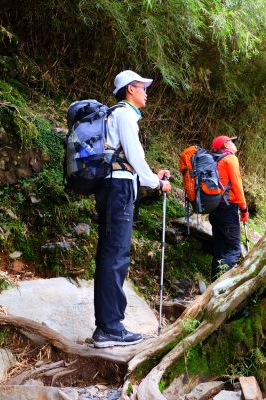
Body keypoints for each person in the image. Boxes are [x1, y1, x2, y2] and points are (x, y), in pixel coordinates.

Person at [92, 70, 172, 348]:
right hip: (119, 189)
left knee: (111, 254)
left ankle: (108, 325)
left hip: (114, 187)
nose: (146, 92)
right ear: (130, 90)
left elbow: (130, 159)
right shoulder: (125, 115)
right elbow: (135, 158)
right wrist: (155, 183)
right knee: (116, 255)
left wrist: (151, 175)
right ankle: (110, 329)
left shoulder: (119, 115)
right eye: (142, 87)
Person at [209, 135, 249, 281]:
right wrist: (244, 208)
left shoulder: (215, 159)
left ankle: (213, 283)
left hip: (214, 208)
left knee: (219, 250)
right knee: (233, 249)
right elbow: (237, 185)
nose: (234, 143)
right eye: (232, 141)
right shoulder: (230, 159)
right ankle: (221, 286)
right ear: (226, 145)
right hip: (227, 209)